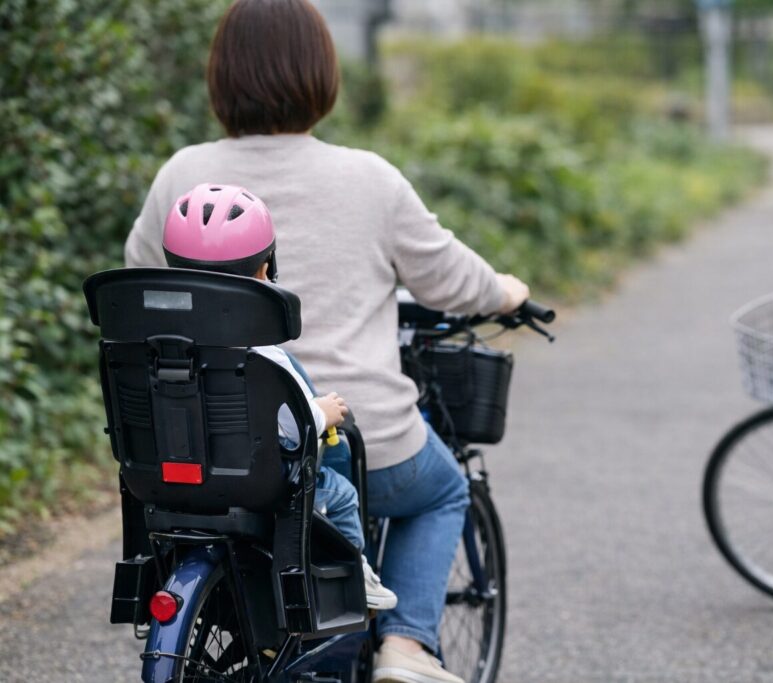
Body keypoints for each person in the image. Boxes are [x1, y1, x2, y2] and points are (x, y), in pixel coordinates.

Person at [123, 2, 530, 681]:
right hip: (350, 438)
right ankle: (406, 644)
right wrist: (508, 293)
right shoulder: (368, 177)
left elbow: (139, 287)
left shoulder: (183, 173)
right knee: (442, 491)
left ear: (220, 77)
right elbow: (454, 280)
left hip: (215, 444)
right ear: (320, 74)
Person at [161, 182, 397, 612]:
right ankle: (354, 567)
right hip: (257, 482)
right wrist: (322, 412)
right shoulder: (266, 354)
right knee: (339, 489)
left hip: (172, 478)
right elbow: (287, 423)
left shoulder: (160, 347)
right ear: (265, 268)